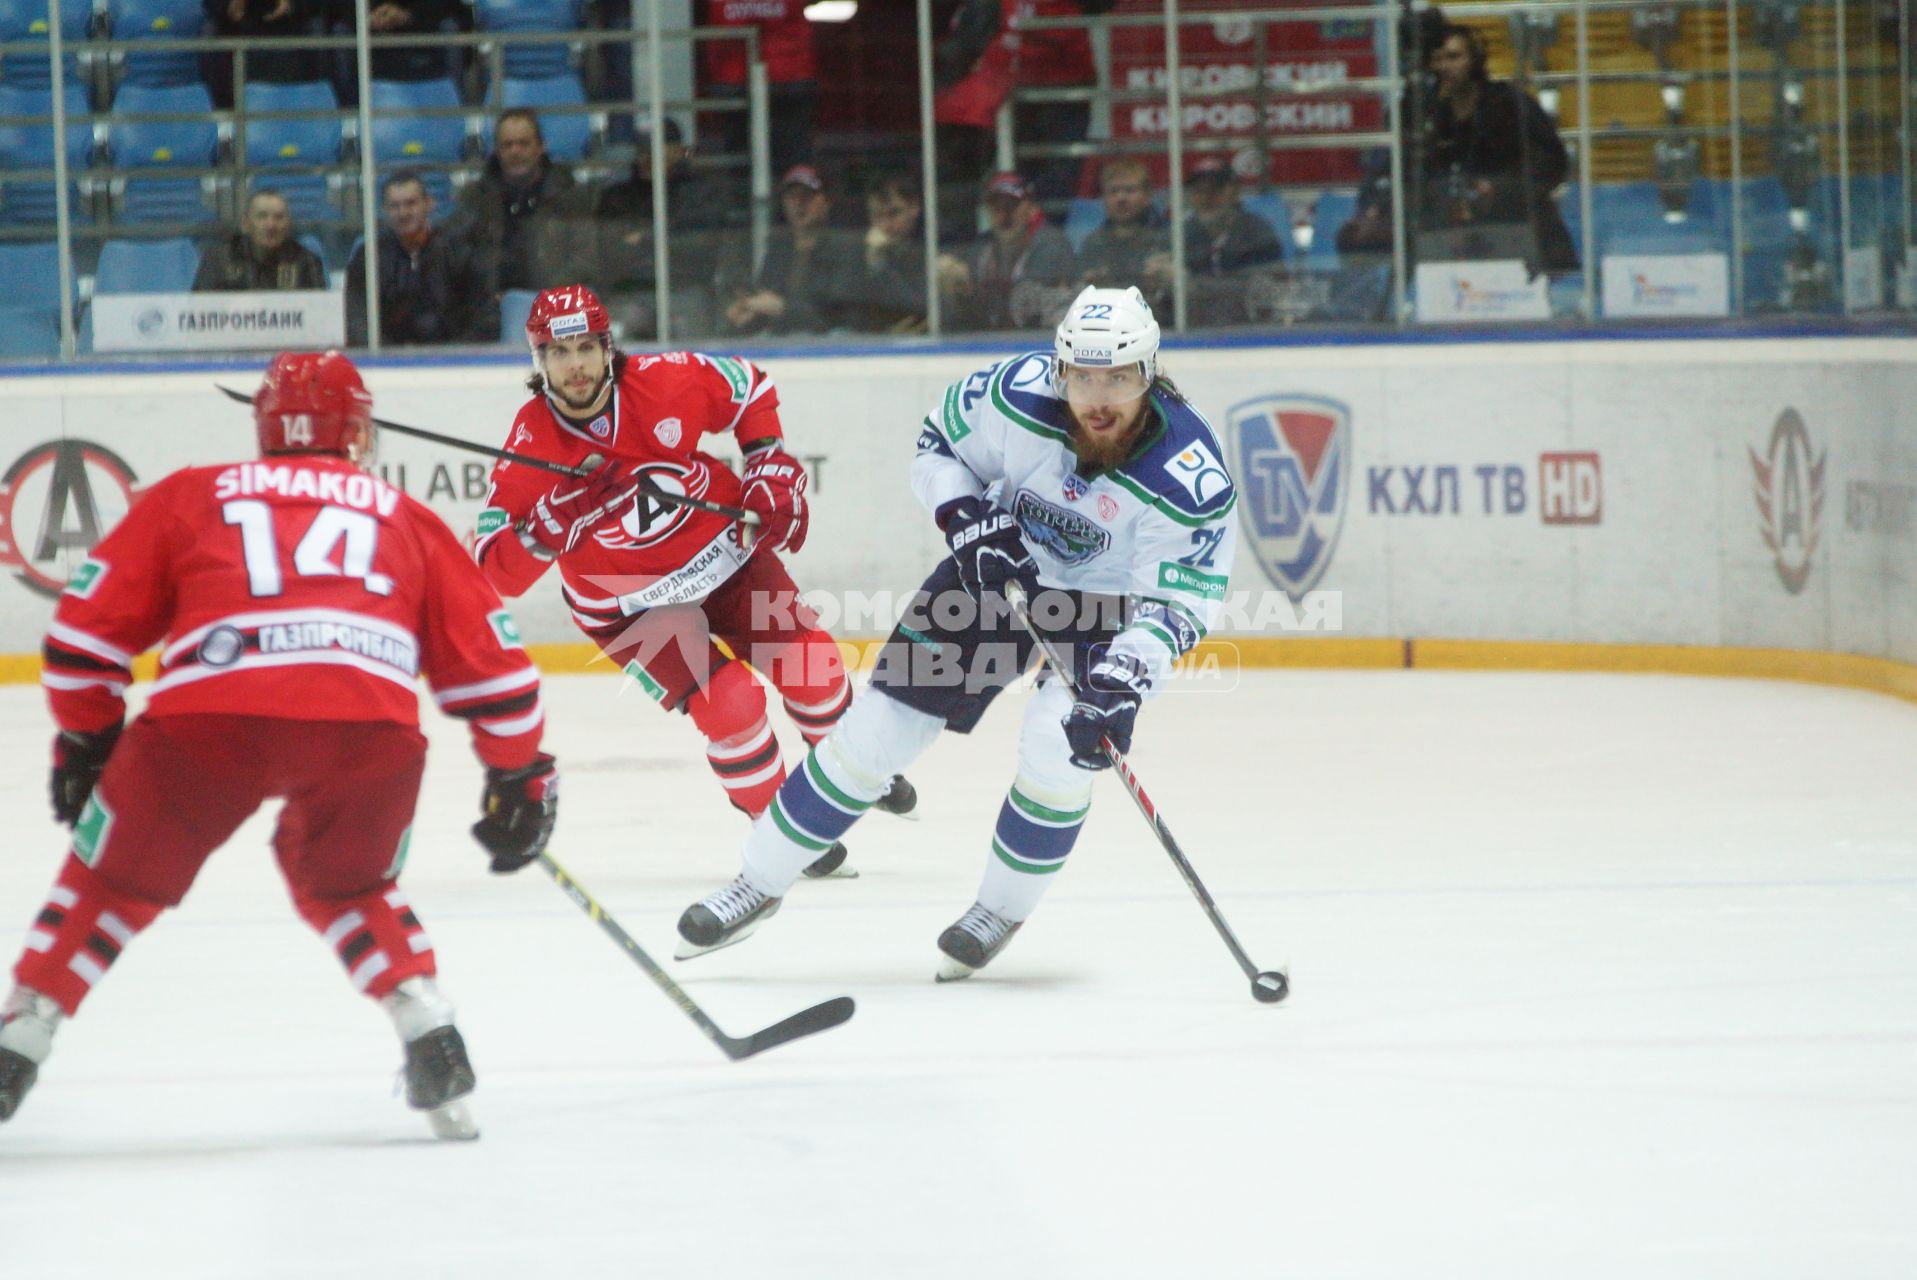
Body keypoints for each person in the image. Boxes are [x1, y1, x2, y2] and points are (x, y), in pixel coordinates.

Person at [0, 351, 558, 1138]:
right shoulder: (405, 515)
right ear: (356, 430)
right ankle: (423, 1017)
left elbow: (80, 645)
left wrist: (89, 742)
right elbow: (502, 685)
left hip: (208, 721)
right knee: (347, 886)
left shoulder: (191, 494)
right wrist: (518, 778)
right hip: (368, 731)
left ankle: (23, 1031)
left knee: (111, 880)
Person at [675, 285, 1237, 981]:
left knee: (1055, 747)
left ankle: (999, 909)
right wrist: (964, 515)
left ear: (1148, 373)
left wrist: (1123, 682)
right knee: (879, 730)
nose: (1097, 396)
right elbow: (937, 445)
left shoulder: (1188, 478)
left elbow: (1178, 606)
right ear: (1058, 369)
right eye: (1082, 375)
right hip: (1002, 564)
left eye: (1117, 377)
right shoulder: (1014, 395)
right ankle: (756, 884)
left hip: (1110, 605)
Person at [471, 285, 913, 877]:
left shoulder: (666, 380)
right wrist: (552, 523)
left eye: (584, 347)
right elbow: (492, 570)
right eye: (557, 351)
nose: (574, 364)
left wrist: (768, 464)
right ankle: (786, 830)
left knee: (815, 669)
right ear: (538, 360)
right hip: (633, 609)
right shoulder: (529, 447)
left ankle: (847, 767)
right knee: (731, 705)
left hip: (724, 560)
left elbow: (749, 387)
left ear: (608, 347)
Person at [1411, 23, 1577, 275]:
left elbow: (1553, 163)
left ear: (1476, 60)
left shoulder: (1511, 104)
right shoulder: (1428, 116)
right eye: (1437, 59)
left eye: (1454, 57)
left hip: (1520, 231)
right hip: (1449, 240)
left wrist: (1499, 187)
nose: (1445, 67)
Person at [590, 117, 735, 341]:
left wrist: (644, 240)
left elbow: (702, 249)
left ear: (678, 150)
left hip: (685, 288)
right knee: (619, 336)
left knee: (694, 348)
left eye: (657, 148)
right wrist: (670, 242)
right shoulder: (617, 198)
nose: (647, 156)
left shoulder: (702, 194)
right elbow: (610, 254)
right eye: (643, 149)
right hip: (631, 291)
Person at [449, 109, 594, 296]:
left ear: (541, 146)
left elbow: (585, 262)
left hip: (556, 303)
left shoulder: (570, 197)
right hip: (491, 306)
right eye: (507, 145)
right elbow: (459, 258)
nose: (515, 152)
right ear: (497, 150)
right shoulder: (475, 198)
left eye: (523, 144)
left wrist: (547, 296)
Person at [346, 170, 496, 346]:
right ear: (385, 210)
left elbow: (486, 318)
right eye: (394, 206)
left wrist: (452, 355)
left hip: (453, 361)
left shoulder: (459, 252)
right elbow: (356, 321)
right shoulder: (368, 257)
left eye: (410, 203)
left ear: (429, 204)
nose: (403, 213)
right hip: (388, 364)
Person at [719, 164, 859, 337]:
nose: (798, 204)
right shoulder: (779, 249)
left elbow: (837, 316)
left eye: (806, 196)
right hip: (784, 342)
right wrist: (748, 311)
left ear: (826, 201)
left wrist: (782, 308)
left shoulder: (845, 248)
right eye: (791, 197)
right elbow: (767, 300)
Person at [936, 170, 1078, 332]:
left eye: (1012, 205)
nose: (1004, 214)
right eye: (996, 206)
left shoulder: (1052, 246)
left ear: (1031, 208)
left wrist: (975, 292)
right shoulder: (981, 249)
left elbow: (1030, 311)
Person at [700, 0, 818, 187]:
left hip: (747, 81)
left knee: (746, 164)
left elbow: (726, 20)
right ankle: (788, 205)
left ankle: (750, 206)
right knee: (790, 160)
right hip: (787, 77)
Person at [1176, 154, 1285, 327]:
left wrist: (1191, 285)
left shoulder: (1257, 233)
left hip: (1249, 332)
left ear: (1235, 193)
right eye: (1198, 191)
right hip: (1193, 331)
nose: (1206, 198)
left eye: (1215, 190)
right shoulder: (1179, 235)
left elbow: (1263, 290)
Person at [819, 170, 928, 334]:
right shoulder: (855, 253)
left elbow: (916, 308)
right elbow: (838, 309)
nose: (886, 225)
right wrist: (873, 261)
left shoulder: (933, 249)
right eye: (878, 215)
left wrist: (879, 266)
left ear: (914, 208)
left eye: (894, 213)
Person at [1076, 157, 1172, 306]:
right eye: (1113, 191)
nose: (1121, 198)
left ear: (1148, 196)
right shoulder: (1094, 243)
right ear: (1103, 198)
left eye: (1130, 190)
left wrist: (1172, 280)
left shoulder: (1169, 238)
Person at [192, 188, 327, 292]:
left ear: (288, 225)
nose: (271, 225)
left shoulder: (306, 261)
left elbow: (317, 313)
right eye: (262, 216)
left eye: (279, 217)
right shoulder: (218, 260)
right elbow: (198, 311)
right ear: (245, 223)